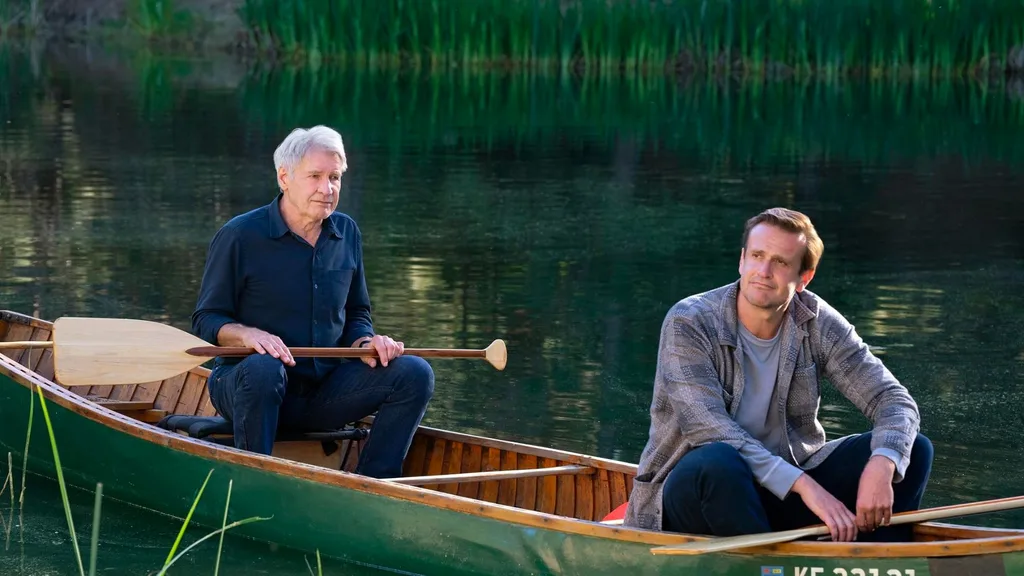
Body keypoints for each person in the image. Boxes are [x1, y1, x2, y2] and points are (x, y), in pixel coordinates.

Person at [623, 207, 933, 542]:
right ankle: (772, 568)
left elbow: (893, 400)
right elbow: (706, 426)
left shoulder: (818, 322)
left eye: (781, 262)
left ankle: (866, 558)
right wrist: (804, 486)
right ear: (742, 260)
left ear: (804, 278)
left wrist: (884, 462)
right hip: (694, 495)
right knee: (718, 460)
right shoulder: (690, 321)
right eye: (757, 256)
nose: (764, 271)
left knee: (911, 450)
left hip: (780, 496)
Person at [191, 125, 435, 479]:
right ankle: (255, 481)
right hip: (248, 388)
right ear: (284, 177)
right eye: (315, 176)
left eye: (334, 177)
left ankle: (376, 484)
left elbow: (356, 312)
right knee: (264, 367)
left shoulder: (346, 232)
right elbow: (206, 319)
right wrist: (246, 335)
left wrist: (367, 342)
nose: (327, 188)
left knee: (414, 373)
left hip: (323, 394)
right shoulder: (240, 236)